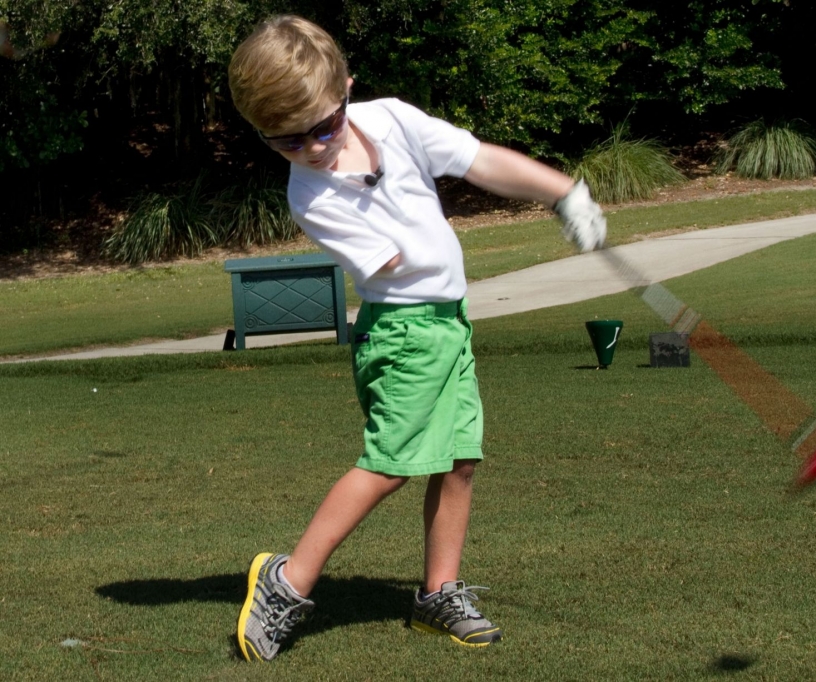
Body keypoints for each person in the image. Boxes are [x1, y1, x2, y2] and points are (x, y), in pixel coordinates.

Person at [228, 14, 606, 662]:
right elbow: (403, 259)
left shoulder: (395, 120)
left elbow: (481, 160)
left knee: (459, 460)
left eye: (324, 126)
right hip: (402, 332)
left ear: (348, 86)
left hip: (448, 323)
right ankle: (285, 581)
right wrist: (393, 178)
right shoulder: (310, 196)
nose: (313, 148)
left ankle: (438, 594)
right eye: (287, 141)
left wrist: (563, 194)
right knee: (390, 465)